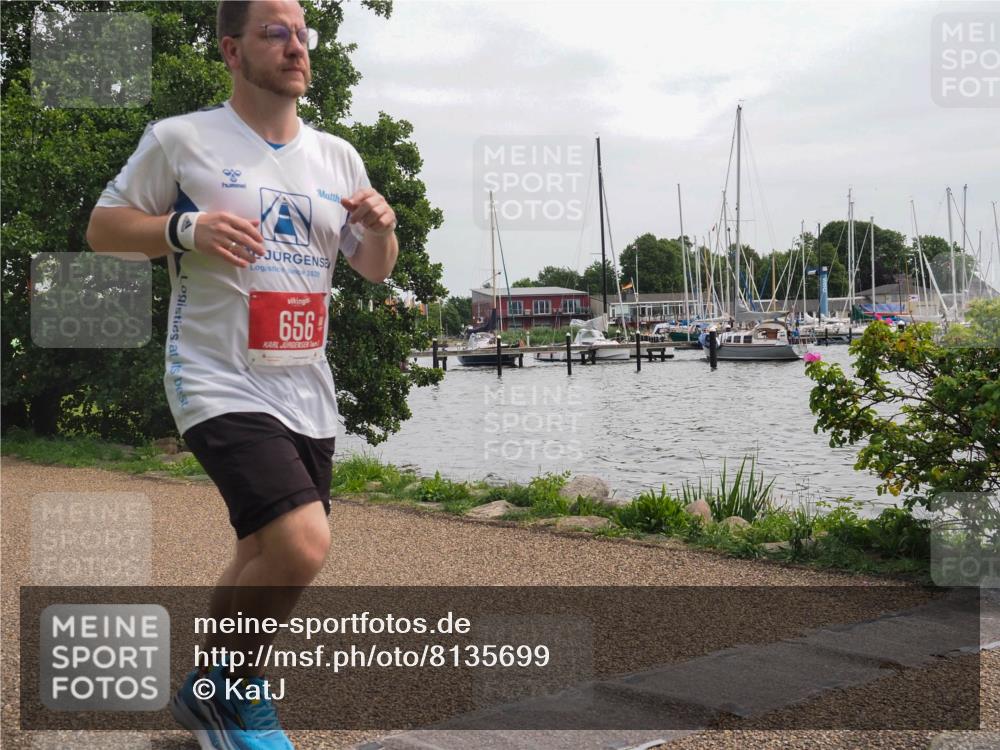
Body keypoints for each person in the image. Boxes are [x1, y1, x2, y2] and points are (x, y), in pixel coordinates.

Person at [86, 2, 398, 747]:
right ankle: (235, 691)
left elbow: (373, 269)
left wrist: (383, 232)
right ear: (232, 49)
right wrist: (182, 227)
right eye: (274, 32)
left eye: (301, 32)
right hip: (215, 376)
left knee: (262, 551)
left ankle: (207, 693)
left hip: (305, 388)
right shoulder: (183, 139)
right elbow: (102, 230)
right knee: (299, 544)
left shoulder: (338, 156)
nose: (295, 45)